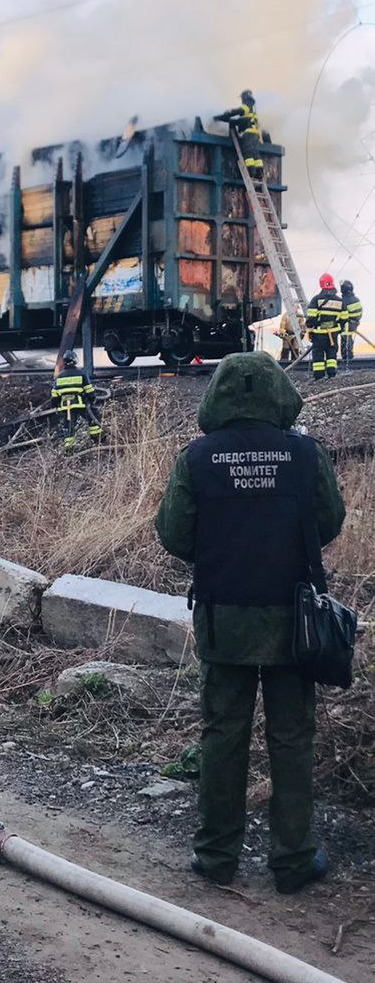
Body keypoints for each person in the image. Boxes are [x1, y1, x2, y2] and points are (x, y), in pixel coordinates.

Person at [155, 352, 345, 893]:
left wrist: (223, 549)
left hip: (224, 618)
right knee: (291, 737)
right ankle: (292, 862)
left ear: (218, 397)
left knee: (222, 735)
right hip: (294, 621)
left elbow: (173, 533)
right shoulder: (306, 455)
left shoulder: (197, 458)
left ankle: (216, 858)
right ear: (279, 394)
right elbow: (330, 520)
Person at [52, 351, 101, 449]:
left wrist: (56, 405)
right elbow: (89, 390)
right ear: (75, 360)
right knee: (93, 417)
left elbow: (54, 394)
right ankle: (96, 438)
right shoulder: (81, 374)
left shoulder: (59, 377)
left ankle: (69, 448)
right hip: (80, 404)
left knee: (68, 426)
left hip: (66, 407)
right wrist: (92, 400)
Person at [215, 90, 265, 181]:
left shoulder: (247, 105)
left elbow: (238, 111)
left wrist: (227, 114)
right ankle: (259, 172)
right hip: (255, 134)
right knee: (255, 154)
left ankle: (251, 172)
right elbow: (242, 120)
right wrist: (230, 120)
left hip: (248, 133)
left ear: (244, 98)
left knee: (247, 152)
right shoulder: (253, 110)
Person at [306, 273, 344, 380]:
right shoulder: (340, 301)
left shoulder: (316, 300)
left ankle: (319, 376)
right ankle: (331, 374)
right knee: (331, 353)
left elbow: (311, 317)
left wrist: (310, 326)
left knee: (318, 354)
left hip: (319, 333)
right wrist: (337, 328)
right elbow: (344, 317)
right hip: (333, 333)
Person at [339, 280, 363, 368]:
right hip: (354, 323)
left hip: (346, 325)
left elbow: (341, 315)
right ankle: (349, 359)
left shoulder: (343, 301)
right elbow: (360, 313)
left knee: (345, 342)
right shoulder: (356, 300)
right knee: (349, 341)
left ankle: (346, 360)